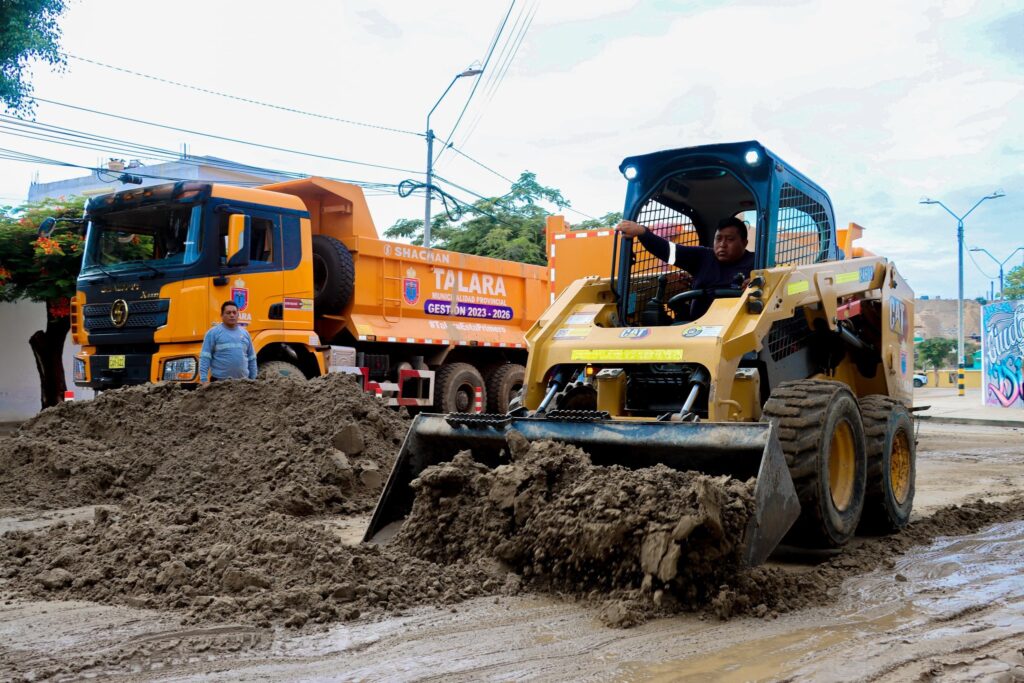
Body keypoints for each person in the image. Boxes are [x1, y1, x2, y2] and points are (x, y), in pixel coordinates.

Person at [616, 216, 755, 320]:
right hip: (695, 329)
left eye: (730, 239)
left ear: (744, 242)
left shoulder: (757, 262)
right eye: (718, 239)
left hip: (737, 330)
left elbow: (772, 284)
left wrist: (755, 284)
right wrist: (643, 233)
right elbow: (669, 251)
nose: (722, 245)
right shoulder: (703, 257)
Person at [198, 301, 258, 383]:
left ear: (238, 315)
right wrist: (203, 380)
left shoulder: (245, 334)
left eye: (234, 312)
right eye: (228, 313)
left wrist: (253, 380)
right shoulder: (213, 333)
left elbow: (252, 358)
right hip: (219, 384)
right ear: (222, 315)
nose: (232, 315)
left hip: (243, 385)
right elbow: (205, 357)